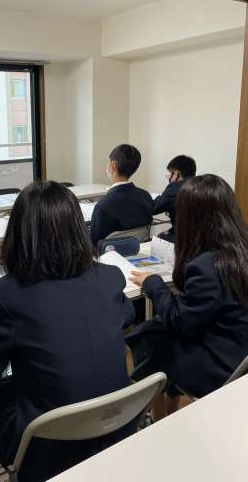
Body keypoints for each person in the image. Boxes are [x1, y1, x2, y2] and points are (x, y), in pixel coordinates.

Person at [0, 181, 136, 482]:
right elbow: (127, 313)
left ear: (19, 235)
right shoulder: (110, 278)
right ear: (78, 229)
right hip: (118, 427)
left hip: (51, 447)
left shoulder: (8, 295)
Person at [127, 174, 248, 419]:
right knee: (155, 332)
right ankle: (167, 407)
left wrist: (153, 284)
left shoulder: (206, 266)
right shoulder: (237, 250)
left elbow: (179, 321)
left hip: (222, 366)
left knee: (149, 338)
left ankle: (157, 418)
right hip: (238, 349)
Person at [90, 144, 153, 247]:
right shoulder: (145, 196)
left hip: (109, 254)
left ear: (113, 165)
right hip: (138, 249)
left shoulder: (104, 204)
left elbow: (94, 241)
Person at [152, 155, 196, 243]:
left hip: (187, 239)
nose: (169, 178)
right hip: (206, 237)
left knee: (159, 238)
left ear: (176, 174)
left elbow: (154, 208)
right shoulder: (201, 184)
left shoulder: (176, 187)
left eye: (170, 174)